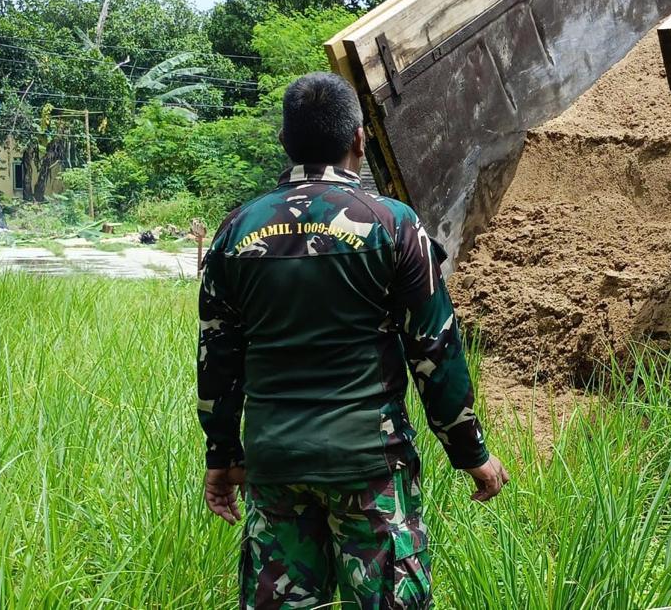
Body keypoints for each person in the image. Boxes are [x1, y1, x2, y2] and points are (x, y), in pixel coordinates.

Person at [197, 72, 508, 609]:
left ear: (284, 142)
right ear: (358, 140)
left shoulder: (235, 231)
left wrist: (222, 453)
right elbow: (434, 347)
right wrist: (469, 450)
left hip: (275, 464)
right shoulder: (392, 225)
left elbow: (217, 360)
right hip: (370, 467)